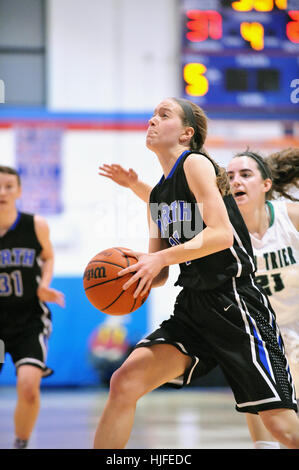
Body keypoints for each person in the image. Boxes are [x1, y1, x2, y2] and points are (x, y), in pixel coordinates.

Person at [94, 97, 299, 449]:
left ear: (187, 133)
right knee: (124, 381)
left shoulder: (196, 163)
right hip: (193, 308)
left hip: (235, 304)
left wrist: (159, 261)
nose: (152, 120)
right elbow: (159, 270)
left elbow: (220, 235)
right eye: (152, 114)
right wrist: (135, 271)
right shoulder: (158, 195)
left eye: (164, 115)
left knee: (284, 430)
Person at [227, 148, 299, 449]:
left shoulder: (290, 216)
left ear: (266, 184)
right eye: (229, 177)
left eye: (245, 174)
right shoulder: (222, 227)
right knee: (268, 442)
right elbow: (174, 213)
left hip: (296, 329)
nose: (236, 181)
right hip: (257, 340)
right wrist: (136, 186)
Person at [0, 165, 65, 449]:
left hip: (29, 320)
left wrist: (43, 284)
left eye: (9, 186)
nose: (2, 192)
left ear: (19, 191)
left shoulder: (35, 225)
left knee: (28, 387)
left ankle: (21, 443)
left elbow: (48, 257)